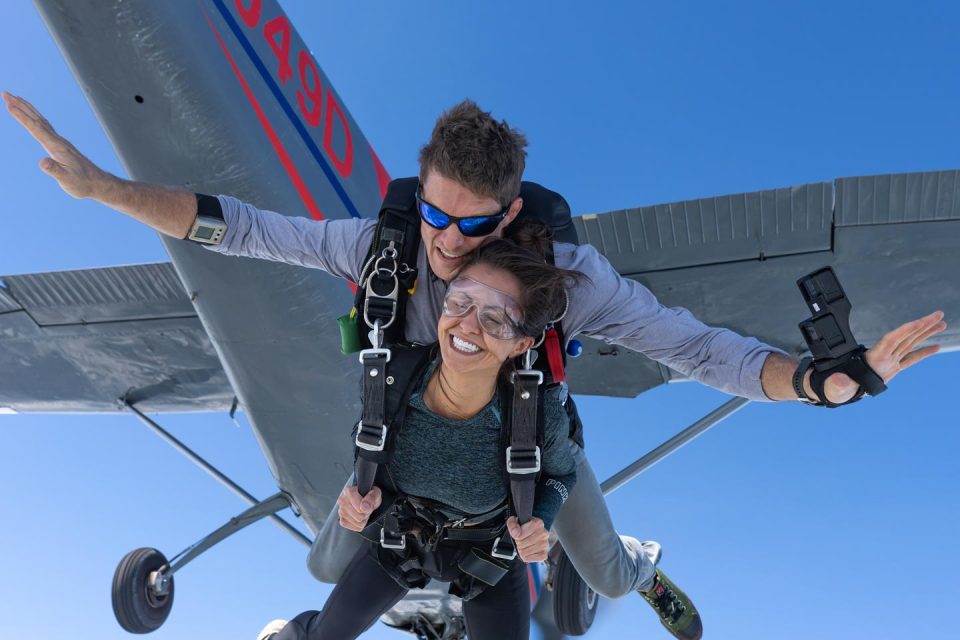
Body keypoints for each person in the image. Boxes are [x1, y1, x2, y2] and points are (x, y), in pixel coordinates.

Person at [3, 91, 945, 640]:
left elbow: (701, 348)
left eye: (472, 224)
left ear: (508, 215)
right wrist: (104, 189)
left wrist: (824, 380)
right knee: (328, 551)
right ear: (421, 193)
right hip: (412, 450)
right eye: (435, 215)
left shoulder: (571, 280)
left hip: (528, 458)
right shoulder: (381, 244)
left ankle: (642, 568)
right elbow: (243, 228)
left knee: (606, 580)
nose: (446, 245)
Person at [267, 229, 580, 640]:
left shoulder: (537, 416)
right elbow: (373, 451)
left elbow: (562, 475)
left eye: (494, 318)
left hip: (490, 557)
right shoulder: (391, 378)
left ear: (522, 344)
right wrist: (361, 499)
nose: (467, 325)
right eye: (460, 301)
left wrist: (542, 518)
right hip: (400, 545)